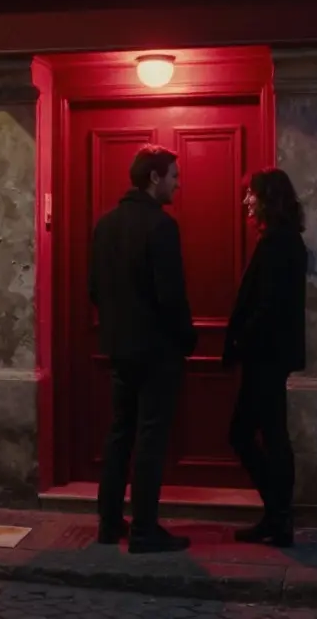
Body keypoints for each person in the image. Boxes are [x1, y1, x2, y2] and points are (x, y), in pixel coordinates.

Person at [88, 144, 197, 554]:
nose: (177, 183)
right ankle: (145, 528)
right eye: (173, 176)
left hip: (119, 347)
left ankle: (109, 521)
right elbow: (171, 296)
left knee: (119, 433)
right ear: (154, 178)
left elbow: (94, 289)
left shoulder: (105, 225)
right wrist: (186, 338)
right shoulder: (161, 226)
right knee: (151, 438)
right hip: (156, 351)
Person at [223, 167, 308, 548]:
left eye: (251, 194)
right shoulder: (281, 239)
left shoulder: (279, 243)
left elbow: (269, 305)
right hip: (269, 354)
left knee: (251, 434)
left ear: (268, 198)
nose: (246, 201)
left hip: (266, 356)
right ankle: (276, 516)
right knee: (270, 434)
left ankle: (279, 513)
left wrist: (242, 341)